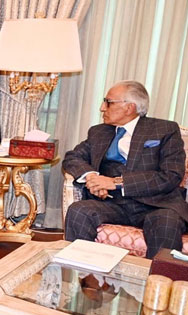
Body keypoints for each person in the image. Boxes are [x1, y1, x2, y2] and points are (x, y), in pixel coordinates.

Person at [63, 80, 188, 259]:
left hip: (157, 205)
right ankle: (79, 277)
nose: (102, 108)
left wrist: (115, 182)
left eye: (108, 102)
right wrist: (93, 177)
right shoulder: (99, 132)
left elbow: (171, 175)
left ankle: (157, 283)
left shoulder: (164, 130)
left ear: (130, 107)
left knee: (165, 224)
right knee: (79, 211)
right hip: (112, 204)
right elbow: (72, 157)